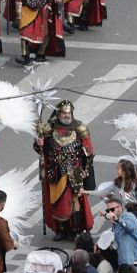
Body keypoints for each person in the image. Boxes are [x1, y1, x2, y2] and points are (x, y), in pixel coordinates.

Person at [35, 100, 93, 241]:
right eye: (64, 113)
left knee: (76, 200)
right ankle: (61, 230)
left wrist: (85, 170)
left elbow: (89, 152)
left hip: (75, 169)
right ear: (59, 114)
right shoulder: (49, 128)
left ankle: (76, 230)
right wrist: (39, 144)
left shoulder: (79, 128)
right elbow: (40, 149)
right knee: (57, 201)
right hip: (55, 170)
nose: (66, 116)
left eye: (68, 113)